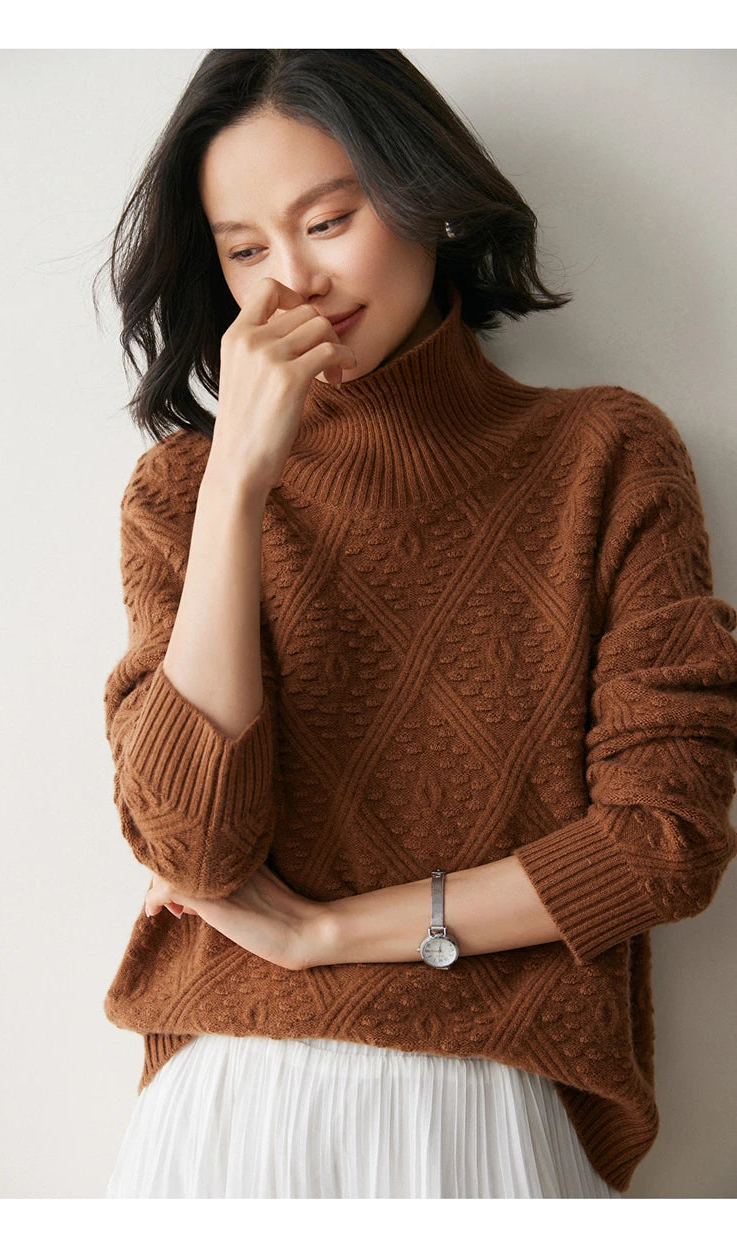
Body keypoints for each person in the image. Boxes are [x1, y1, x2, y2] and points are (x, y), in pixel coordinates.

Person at [97, 49, 737, 1199]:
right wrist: (239, 480)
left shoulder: (604, 456)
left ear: (423, 199)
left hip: (488, 1110)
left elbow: (660, 842)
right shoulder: (180, 496)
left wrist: (326, 937)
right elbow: (194, 848)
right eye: (245, 251)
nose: (289, 281)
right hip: (230, 1114)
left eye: (328, 220)